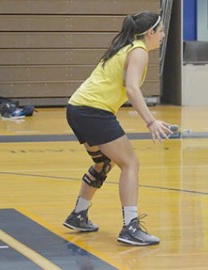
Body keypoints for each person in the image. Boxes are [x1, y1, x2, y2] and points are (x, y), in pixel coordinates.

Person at [63, 11, 172, 246]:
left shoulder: (126, 47)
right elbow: (132, 89)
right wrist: (151, 121)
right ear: (150, 32)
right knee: (130, 163)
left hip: (77, 108)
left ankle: (79, 214)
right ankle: (130, 227)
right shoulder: (139, 51)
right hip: (93, 110)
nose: (163, 35)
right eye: (161, 30)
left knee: (103, 163)